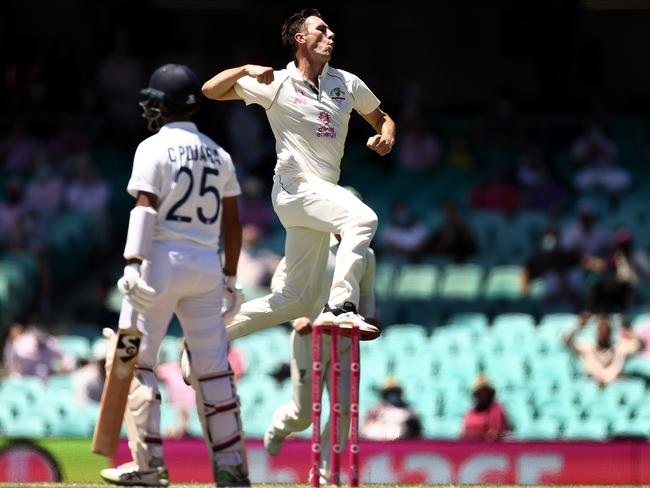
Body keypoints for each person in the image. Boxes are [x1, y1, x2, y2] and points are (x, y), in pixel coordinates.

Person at [202, 8, 395, 340]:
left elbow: (382, 118)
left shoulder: (347, 83)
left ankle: (211, 333)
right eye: (321, 30)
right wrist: (245, 69)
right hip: (295, 186)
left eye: (332, 30)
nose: (331, 35)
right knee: (362, 219)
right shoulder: (275, 83)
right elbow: (210, 90)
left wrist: (387, 136)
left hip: (321, 196)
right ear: (300, 38)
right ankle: (341, 308)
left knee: (295, 301)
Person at [99, 64, 250, 487]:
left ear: (163, 104)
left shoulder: (152, 147)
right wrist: (232, 278)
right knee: (213, 370)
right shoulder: (219, 154)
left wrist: (132, 262)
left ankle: (148, 467)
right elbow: (233, 223)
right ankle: (232, 468)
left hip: (159, 264)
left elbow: (145, 206)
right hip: (205, 265)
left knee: (132, 359)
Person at [260, 232, 377, 483]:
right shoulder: (310, 244)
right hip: (308, 336)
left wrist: (370, 317)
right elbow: (280, 281)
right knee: (303, 416)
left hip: (345, 342)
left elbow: (366, 295)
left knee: (344, 408)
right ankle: (281, 425)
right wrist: (296, 317)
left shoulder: (365, 255)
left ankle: (324, 474)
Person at [564, 311, 643, 386]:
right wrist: (579, 326)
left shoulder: (620, 348)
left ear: (610, 333)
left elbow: (641, 345)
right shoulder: (587, 347)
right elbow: (567, 342)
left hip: (615, 387)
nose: (604, 334)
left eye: (606, 331)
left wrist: (627, 329)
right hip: (591, 386)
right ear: (597, 332)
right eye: (601, 331)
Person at [521, 225, 582, 304]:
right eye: (549, 236)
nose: (552, 240)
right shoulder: (536, 258)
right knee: (549, 280)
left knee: (574, 275)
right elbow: (526, 273)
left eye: (555, 237)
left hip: (565, 297)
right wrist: (524, 295)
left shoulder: (565, 256)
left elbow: (581, 263)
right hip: (542, 299)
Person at [461, 375, 511, 441]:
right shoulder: (470, 413)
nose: (484, 395)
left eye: (486, 392)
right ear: (476, 395)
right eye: (481, 392)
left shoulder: (497, 410)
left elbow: (497, 434)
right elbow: (464, 435)